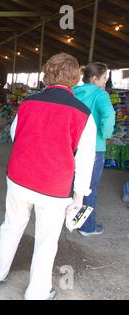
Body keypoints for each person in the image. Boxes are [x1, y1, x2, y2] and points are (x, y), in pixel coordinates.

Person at [0, 53, 97, 300]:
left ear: (47, 75)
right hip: (53, 186)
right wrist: (79, 196)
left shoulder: (27, 103)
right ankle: (37, 292)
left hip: (19, 178)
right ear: (75, 78)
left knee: (11, 225)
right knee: (46, 240)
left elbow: (16, 135)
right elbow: (85, 159)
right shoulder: (82, 114)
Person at [73, 63, 116, 236]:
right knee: (89, 187)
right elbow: (109, 115)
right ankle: (86, 227)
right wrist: (105, 134)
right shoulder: (100, 94)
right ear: (94, 78)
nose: (106, 81)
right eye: (104, 78)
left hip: (73, 145)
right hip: (94, 149)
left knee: (74, 184)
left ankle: (72, 218)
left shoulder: (74, 92)